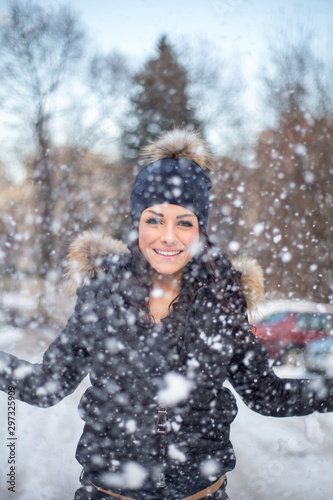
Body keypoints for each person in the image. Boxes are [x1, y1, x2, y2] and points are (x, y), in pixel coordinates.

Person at [0, 128, 333, 500]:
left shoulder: (222, 300)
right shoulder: (102, 294)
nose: (168, 237)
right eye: (154, 220)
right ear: (136, 224)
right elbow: (46, 384)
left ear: (201, 230)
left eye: (184, 222)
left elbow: (268, 395)